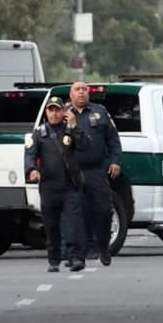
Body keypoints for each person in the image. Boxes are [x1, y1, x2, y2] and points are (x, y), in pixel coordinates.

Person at [25, 96, 88, 272]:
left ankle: (75, 257)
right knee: (51, 225)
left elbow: (85, 146)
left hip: (70, 186)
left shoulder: (71, 130)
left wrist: (75, 127)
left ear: (64, 112)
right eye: (51, 110)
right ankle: (54, 260)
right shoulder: (40, 133)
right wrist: (32, 170)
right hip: (49, 187)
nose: (54, 113)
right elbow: (30, 154)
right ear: (46, 112)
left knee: (72, 223)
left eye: (58, 110)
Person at [68, 82, 122, 266]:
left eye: (84, 89)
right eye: (77, 89)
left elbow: (113, 140)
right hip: (73, 172)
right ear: (71, 94)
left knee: (104, 211)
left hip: (96, 170)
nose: (81, 93)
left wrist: (115, 161)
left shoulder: (100, 112)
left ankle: (104, 246)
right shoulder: (64, 114)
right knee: (78, 213)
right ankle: (80, 253)